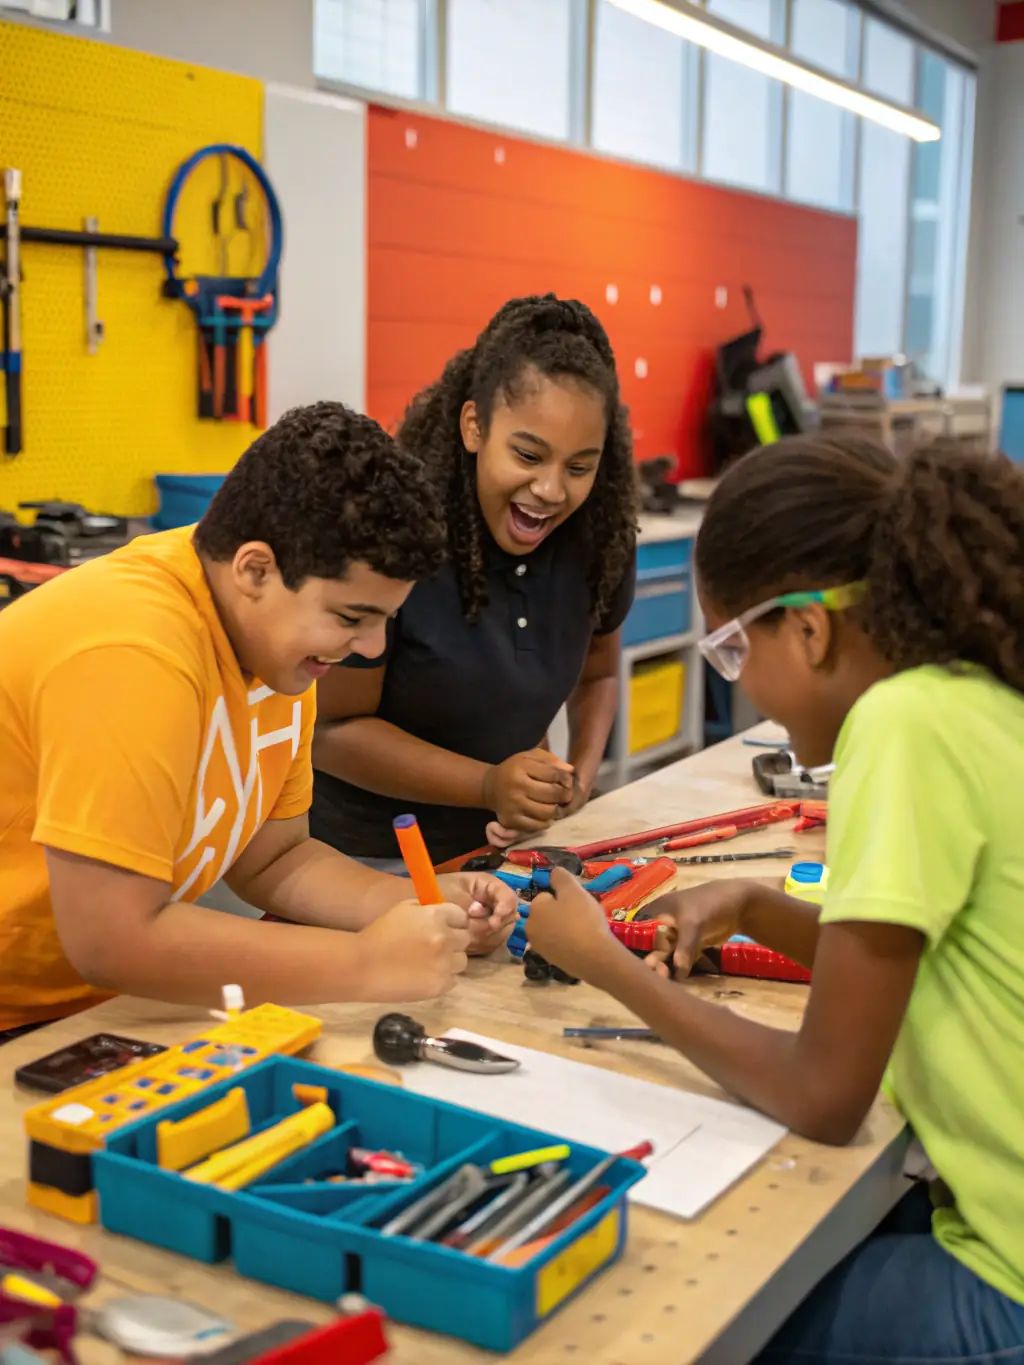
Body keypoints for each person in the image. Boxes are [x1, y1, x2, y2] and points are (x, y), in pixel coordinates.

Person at [525, 434, 1024, 1362]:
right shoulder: (969, 695)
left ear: (809, 627)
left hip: (1012, 1285)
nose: (740, 682)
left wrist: (607, 966)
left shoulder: (904, 728)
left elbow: (827, 1094)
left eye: (729, 648)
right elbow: (918, 959)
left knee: (720, 1319)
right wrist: (754, 903)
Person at [0, 402, 517, 1040]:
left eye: (386, 619)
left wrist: (421, 905)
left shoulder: (275, 644)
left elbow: (275, 859)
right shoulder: (134, 653)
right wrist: (362, 964)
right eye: (353, 617)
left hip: (91, 1007)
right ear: (255, 570)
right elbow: (112, 939)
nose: (374, 648)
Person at [311, 295, 638, 867]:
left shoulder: (600, 541)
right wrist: (489, 784)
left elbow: (600, 672)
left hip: (504, 851)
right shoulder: (395, 539)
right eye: (528, 454)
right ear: (474, 427)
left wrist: (577, 781)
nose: (552, 490)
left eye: (580, 466)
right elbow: (333, 730)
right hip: (366, 857)